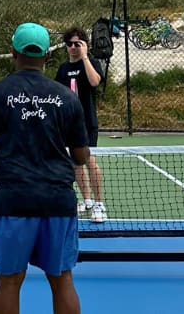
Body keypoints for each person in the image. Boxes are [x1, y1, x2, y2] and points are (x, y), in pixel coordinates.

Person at [0, 22, 89, 314]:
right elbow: (81, 157)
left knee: (9, 282)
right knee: (62, 279)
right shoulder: (67, 98)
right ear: (48, 57)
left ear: (13, 52)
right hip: (58, 201)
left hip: (13, 202)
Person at [53, 27, 107, 223]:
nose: (73, 47)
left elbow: (94, 82)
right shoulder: (63, 69)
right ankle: (87, 200)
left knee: (89, 161)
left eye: (78, 44)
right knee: (75, 163)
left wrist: (84, 58)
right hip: (68, 125)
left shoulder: (91, 63)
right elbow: (57, 96)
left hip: (87, 123)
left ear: (84, 45)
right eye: (70, 44)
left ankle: (100, 204)